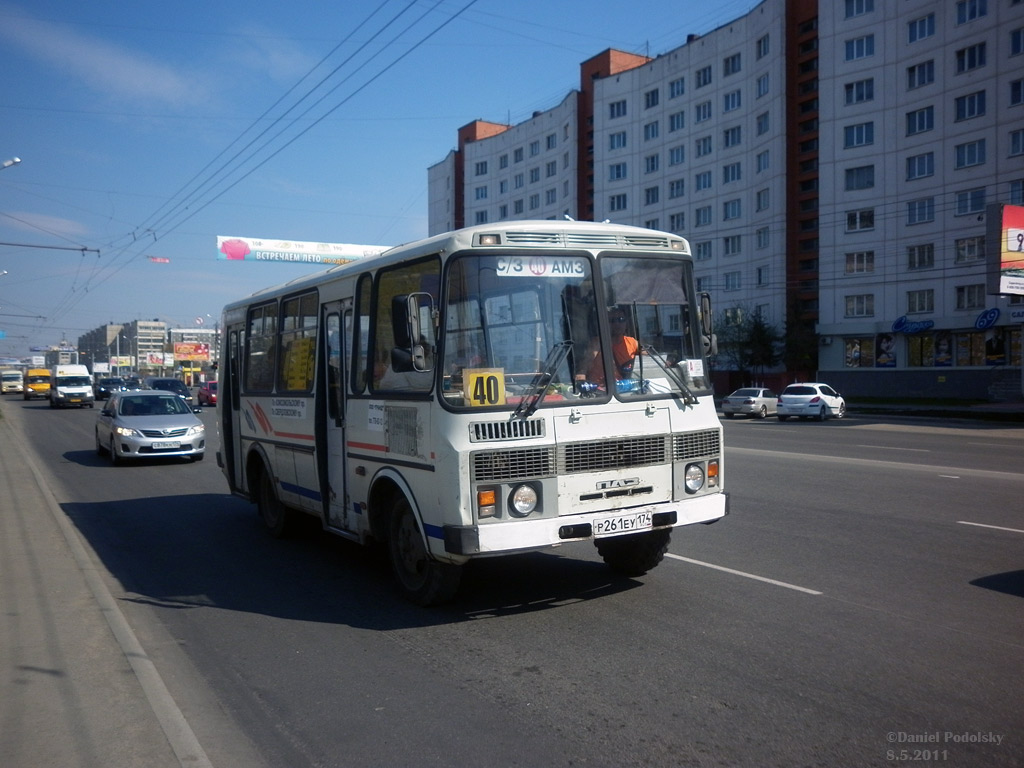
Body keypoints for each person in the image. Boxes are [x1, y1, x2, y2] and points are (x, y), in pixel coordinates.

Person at [586, 307, 639, 388]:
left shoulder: (632, 342)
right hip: (601, 392)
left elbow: (650, 355)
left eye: (621, 319)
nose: (617, 324)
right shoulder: (596, 343)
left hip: (624, 390)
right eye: (612, 321)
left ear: (626, 323)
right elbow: (583, 368)